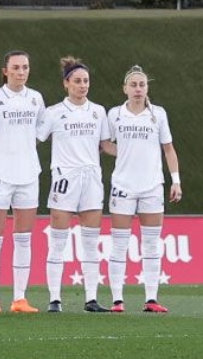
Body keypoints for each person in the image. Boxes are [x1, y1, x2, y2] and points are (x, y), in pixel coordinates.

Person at [36, 56, 112, 313]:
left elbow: (105, 145)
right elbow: (35, 139)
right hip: (64, 179)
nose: (83, 85)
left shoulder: (98, 111)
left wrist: (135, 150)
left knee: (91, 242)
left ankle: (91, 298)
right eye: (77, 81)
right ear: (66, 84)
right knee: (58, 241)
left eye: (86, 81)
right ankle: (54, 299)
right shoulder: (54, 112)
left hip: (91, 179)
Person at [104, 65, 182, 313]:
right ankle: (117, 300)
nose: (138, 89)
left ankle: (151, 298)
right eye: (134, 85)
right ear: (125, 88)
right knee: (119, 244)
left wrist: (176, 181)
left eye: (142, 85)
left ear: (147, 88)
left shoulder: (157, 114)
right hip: (123, 186)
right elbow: (104, 144)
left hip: (152, 186)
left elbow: (168, 148)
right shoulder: (115, 114)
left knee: (151, 244)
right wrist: (125, 152)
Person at [0, 51, 45, 313]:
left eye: (25, 67)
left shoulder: (36, 98)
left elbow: (39, 131)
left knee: (24, 238)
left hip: (28, 174)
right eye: (16, 67)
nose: (21, 72)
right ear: (5, 71)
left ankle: (20, 298)